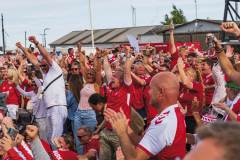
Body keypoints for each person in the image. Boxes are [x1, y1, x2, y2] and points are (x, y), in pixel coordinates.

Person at [104, 72, 186, 160]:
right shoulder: (171, 114)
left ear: (161, 92)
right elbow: (145, 142)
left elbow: (134, 158)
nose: (148, 92)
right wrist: (126, 127)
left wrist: (121, 133)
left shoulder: (164, 124)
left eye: (150, 88)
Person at [16, 37, 68, 145]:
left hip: (57, 107)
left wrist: (36, 43)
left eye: (44, 65)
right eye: (42, 65)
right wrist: (22, 48)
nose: (42, 67)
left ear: (50, 64)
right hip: (50, 109)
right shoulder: (45, 74)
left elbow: (46, 56)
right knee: (49, 139)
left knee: (55, 139)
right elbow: (32, 59)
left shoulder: (55, 69)